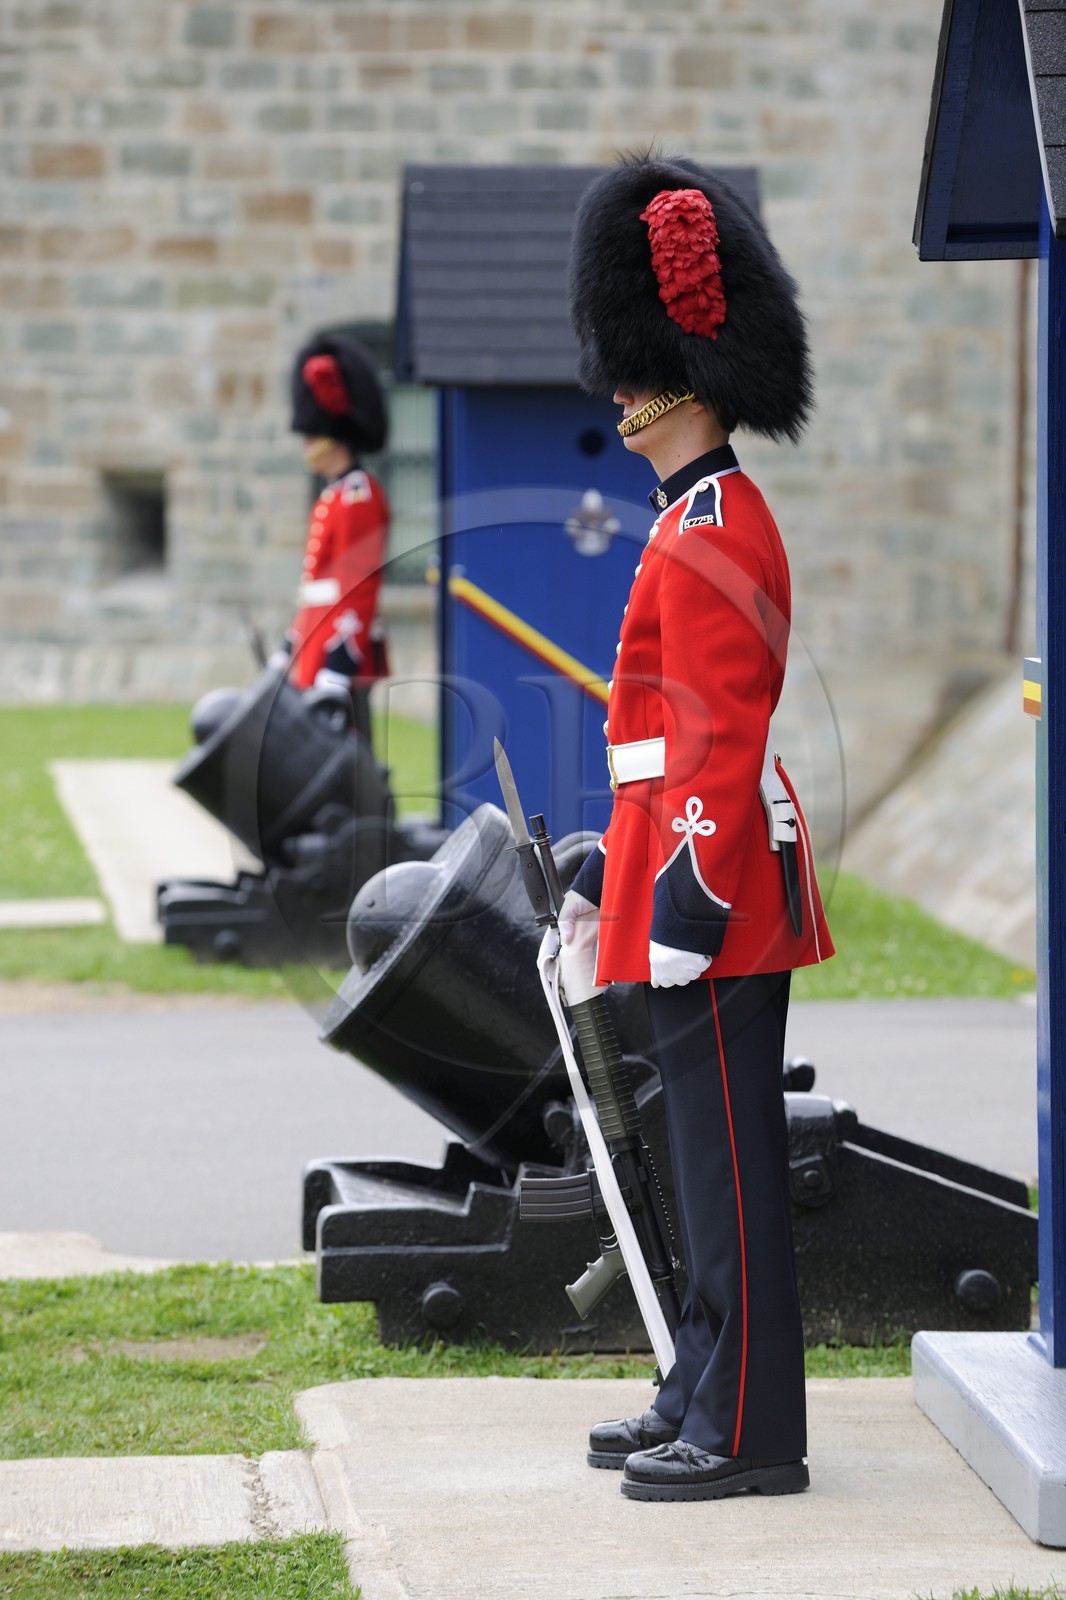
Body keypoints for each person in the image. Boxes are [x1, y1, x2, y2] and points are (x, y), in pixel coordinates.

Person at [556, 153, 834, 1503]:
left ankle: (746, 1434)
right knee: (697, 1161)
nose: (616, 390)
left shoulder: (716, 521)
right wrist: (622, 860)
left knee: (725, 1174)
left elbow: (718, 747)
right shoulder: (689, 517)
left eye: (632, 364)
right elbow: (667, 745)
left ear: (683, 370)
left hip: (712, 899)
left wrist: (679, 897)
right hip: (685, 881)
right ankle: (699, 1385)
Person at [285, 330, 391, 741]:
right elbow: (317, 584)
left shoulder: (359, 496)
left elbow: (358, 585)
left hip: (340, 650)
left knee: (348, 763)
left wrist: (341, 659)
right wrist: (290, 645)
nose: (306, 444)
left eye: (312, 435)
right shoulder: (337, 495)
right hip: (317, 642)